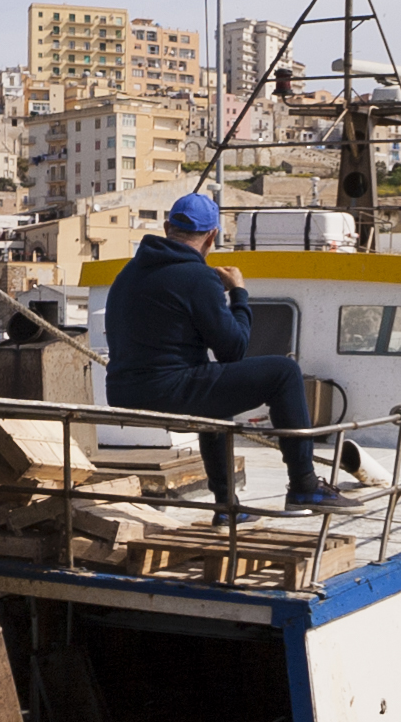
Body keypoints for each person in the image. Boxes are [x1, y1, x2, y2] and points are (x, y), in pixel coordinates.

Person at [104, 193, 362, 521]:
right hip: (165, 391)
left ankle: (227, 506)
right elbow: (233, 350)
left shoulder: (127, 274)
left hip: (124, 393)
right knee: (283, 372)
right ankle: (304, 484)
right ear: (212, 236)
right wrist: (239, 293)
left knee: (214, 391)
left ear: (167, 227)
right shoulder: (198, 278)